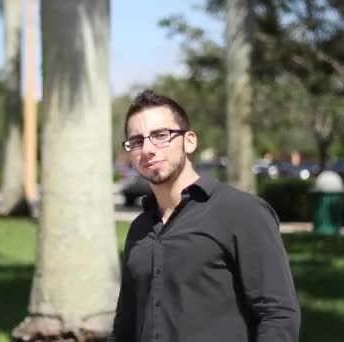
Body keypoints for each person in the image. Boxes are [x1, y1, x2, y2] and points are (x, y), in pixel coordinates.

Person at [110, 89, 300, 342]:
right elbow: (125, 326)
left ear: (189, 141)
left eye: (160, 135)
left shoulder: (242, 213)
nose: (147, 149)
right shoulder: (140, 229)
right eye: (136, 141)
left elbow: (278, 315)